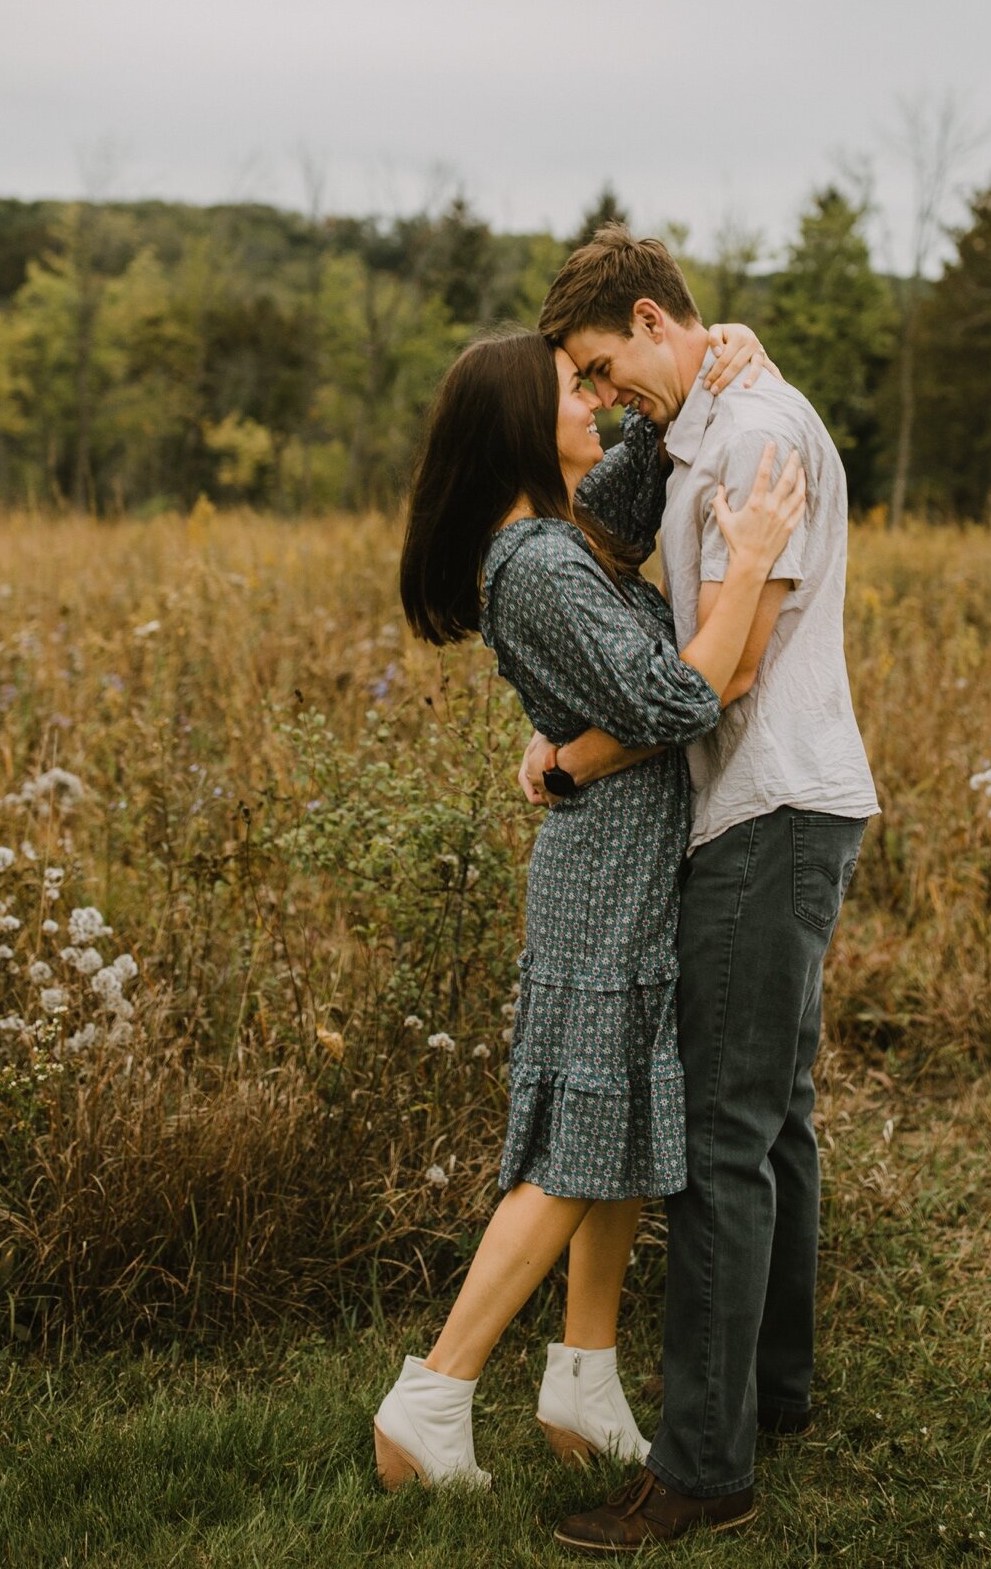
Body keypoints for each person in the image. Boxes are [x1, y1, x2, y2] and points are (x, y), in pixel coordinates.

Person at [373, 321, 802, 1490]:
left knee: (621, 1118)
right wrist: (753, 556)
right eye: (575, 391)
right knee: (574, 1147)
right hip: (606, 874)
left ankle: (583, 1377)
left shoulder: (566, 533)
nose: (597, 406)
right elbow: (679, 694)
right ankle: (435, 1392)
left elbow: (647, 438)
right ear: (524, 422)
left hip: (624, 853)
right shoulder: (542, 565)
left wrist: (713, 354)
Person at [530, 227, 879, 1553]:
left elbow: (721, 677)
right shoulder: (703, 422)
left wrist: (570, 764)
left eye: (608, 364)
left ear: (648, 317)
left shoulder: (754, 435)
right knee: (775, 1116)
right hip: (779, 804)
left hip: (765, 808)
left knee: (724, 1145)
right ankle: (770, 1396)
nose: (608, 394)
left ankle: (701, 1472)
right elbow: (599, 522)